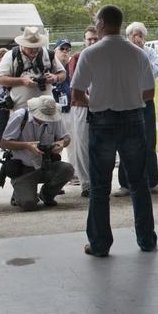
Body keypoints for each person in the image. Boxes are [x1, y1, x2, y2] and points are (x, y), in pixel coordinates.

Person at [71, 5, 158, 256]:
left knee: (100, 187)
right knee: (139, 184)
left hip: (102, 121)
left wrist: (97, 102)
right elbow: (150, 92)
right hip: (133, 120)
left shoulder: (90, 54)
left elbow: (77, 94)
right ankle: (146, 239)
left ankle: (99, 244)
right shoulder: (138, 53)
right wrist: (128, 97)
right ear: (120, 24)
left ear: (100, 23)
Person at [114, 22, 158, 197]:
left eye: (141, 36)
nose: (138, 39)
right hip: (126, 102)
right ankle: (125, 184)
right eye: (134, 35)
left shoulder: (150, 52)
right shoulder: (121, 52)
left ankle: (153, 182)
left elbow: (155, 73)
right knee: (125, 143)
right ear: (128, 36)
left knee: (149, 142)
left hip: (146, 102)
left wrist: (140, 54)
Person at [0, 95, 73, 210]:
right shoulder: (20, 116)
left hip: (46, 165)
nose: (46, 118)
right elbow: (4, 143)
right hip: (24, 168)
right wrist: (26, 145)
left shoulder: (55, 117)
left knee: (67, 169)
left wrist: (62, 143)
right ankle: (20, 192)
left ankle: (46, 195)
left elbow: (67, 138)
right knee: (28, 204)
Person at [0, 26, 66, 111]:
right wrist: (22, 80)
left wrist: (55, 78)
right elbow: (0, 80)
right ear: (22, 44)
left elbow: (63, 74)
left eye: (37, 46)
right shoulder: (11, 55)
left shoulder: (48, 54)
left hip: (46, 110)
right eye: (31, 47)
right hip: (20, 111)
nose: (34, 50)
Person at [66, 27, 99, 196]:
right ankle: (87, 184)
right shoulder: (77, 58)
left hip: (101, 106)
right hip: (81, 106)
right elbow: (76, 83)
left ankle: (98, 182)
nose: (92, 42)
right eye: (89, 39)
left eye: (95, 39)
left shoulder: (103, 56)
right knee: (82, 145)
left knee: (99, 147)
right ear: (84, 40)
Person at [0, 47, 11, 153]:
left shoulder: (11, 67)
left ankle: (10, 143)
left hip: (11, 98)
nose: (1, 58)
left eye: (3, 56)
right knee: (1, 123)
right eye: (0, 56)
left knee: (12, 122)